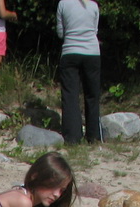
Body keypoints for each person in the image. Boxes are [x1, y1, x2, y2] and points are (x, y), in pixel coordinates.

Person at [56, 0, 101, 144]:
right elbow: (95, 31)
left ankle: (72, 137)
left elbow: (60, 33)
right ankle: (93, 136)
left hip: (70, 51)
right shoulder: (93, 5)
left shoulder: (63, 4)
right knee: (92, 95)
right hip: (92, 53)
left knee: (70, 95)